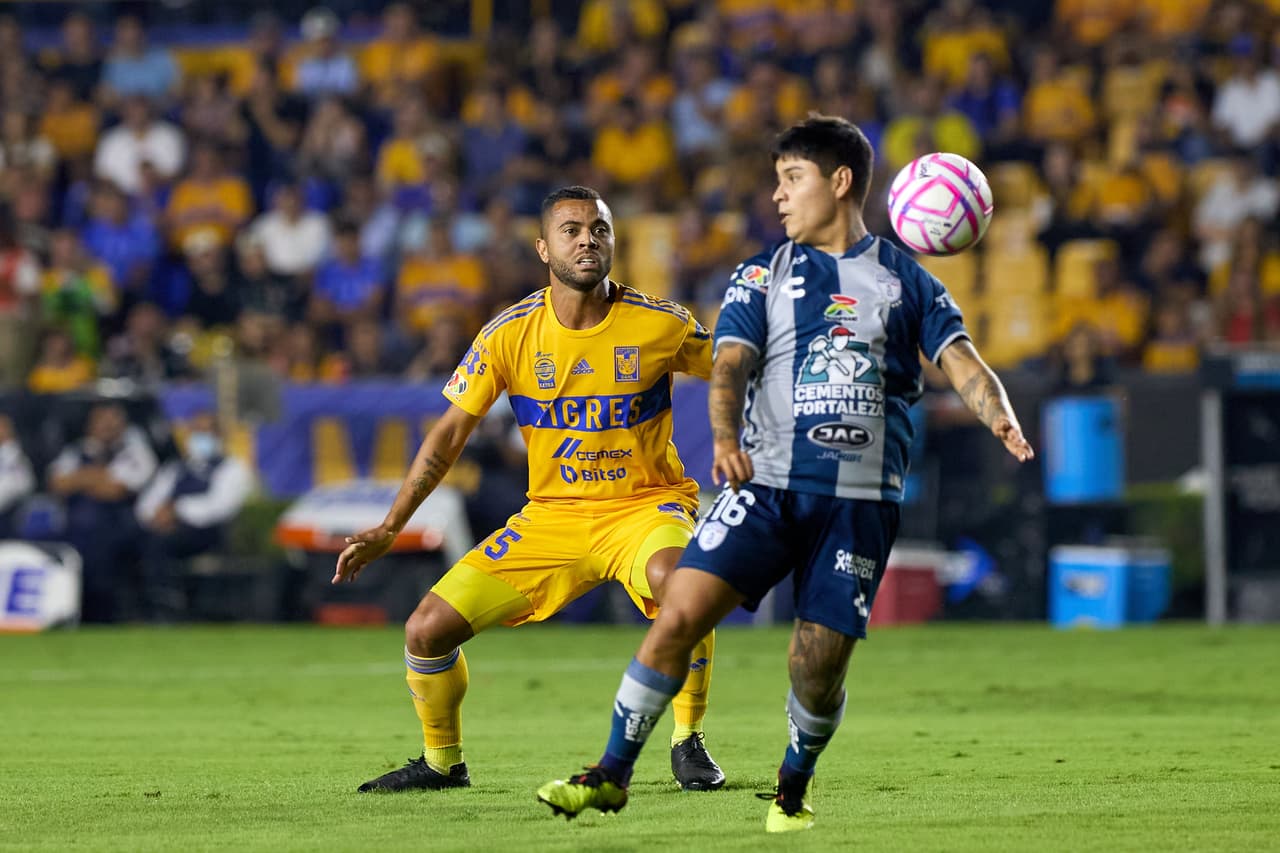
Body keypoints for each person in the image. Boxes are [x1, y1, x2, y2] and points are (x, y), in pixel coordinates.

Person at [537, 117, 1035, 832]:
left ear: (839, 183)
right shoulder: (763, 273)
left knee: (815, 666)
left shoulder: (906, 281)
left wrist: (1000, 415)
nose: (777, 196)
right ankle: (610, 774)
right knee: (676, 611)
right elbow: (731, 361)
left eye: (791, 178)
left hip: (859, 502)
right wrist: (722, 434)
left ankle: (792, 787)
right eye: (776, 180)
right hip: (766, 485)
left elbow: (962, 360)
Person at [333, 186, 726, 794]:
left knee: (682, 586)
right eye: (571, 230)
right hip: (552, 518)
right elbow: (447, 435)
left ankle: (687, 740)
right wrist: (391, 525)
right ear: (544, 248)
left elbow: (736, 366)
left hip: (644, 509)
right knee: (425, 630)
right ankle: (443, 763)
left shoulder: (660, 323)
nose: (587, 239)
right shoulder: (508, 335)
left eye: (599, 228)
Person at [136, 411, 254, 620]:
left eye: (206, 431)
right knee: (134, 537)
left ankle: (168, 605)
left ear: (219, 436)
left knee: (161, 543)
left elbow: (219, 506)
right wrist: (155, 516)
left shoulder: (232, 468)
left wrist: (177, 511)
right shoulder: (175, 468)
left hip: (207, 532)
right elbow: (149, 501)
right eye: (196, 431)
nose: (200, 437)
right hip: (164, 527)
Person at [48, 402, 159, 622]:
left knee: (100, 545)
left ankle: (101, 614)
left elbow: (116, 490)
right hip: (75, 529)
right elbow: (57, 484)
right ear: (91, 425)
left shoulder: (136, 452)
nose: (107, 426)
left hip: (121, 527)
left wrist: (80, 479)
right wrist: (100, 477)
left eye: (113, 421)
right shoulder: (76, 451)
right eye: (102, 421)